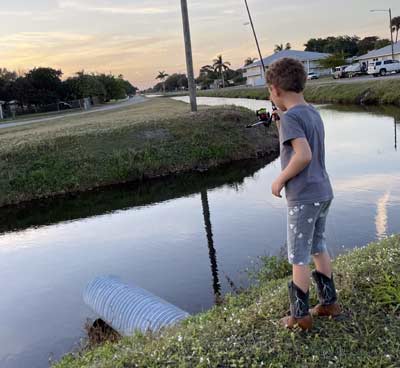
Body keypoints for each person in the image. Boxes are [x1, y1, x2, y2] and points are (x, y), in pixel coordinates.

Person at [266, 58, 341, 331]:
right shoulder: (312, 112)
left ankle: (300, 317)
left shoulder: (290, 118)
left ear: (275, 90)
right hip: (323, 192)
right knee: (317, 246)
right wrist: (279, 122)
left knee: (298, 255)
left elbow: (303, 155)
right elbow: (300, 142)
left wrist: (279, 180)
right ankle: (329, 303)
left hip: (303, 197)